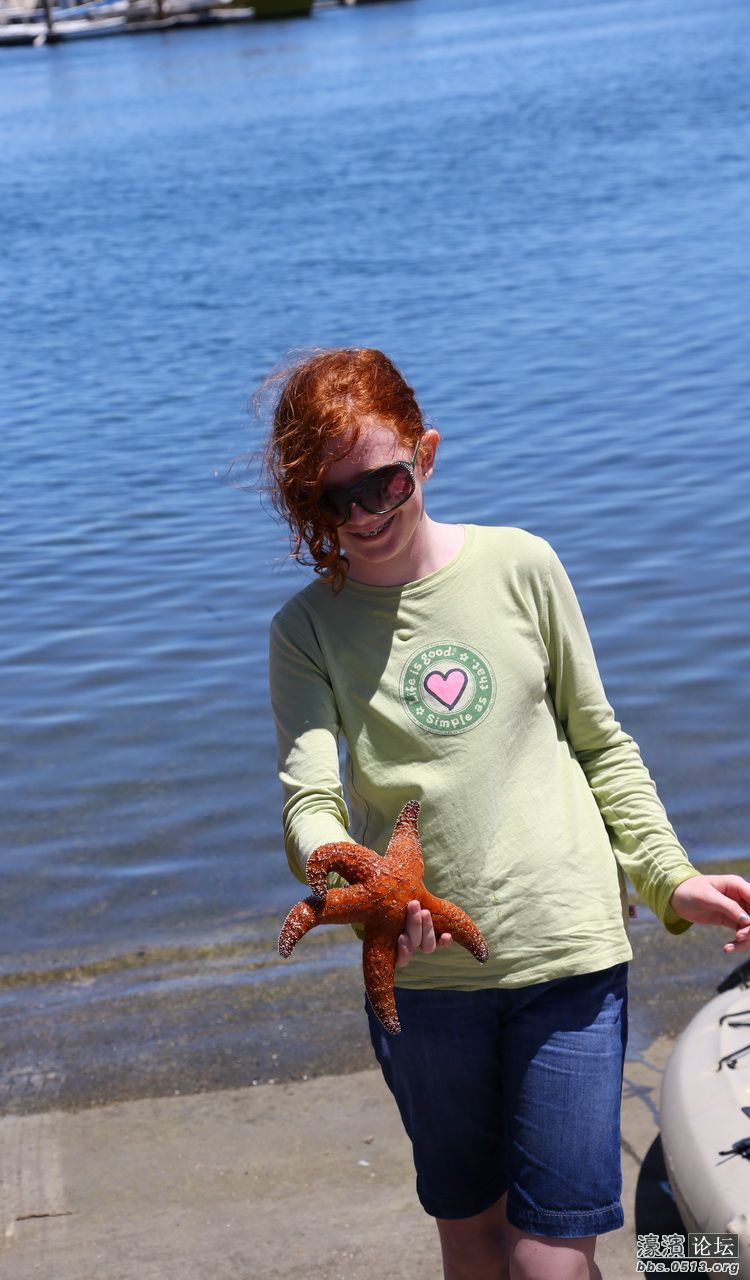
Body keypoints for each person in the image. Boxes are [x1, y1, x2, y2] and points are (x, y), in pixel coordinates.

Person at [263, 347, 750, 1280]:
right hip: (423, 982)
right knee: (475, 1245)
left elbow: (601, 744)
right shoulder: (306, 631)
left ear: (426, 454)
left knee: (548, 1261)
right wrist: (349, 880)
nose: (362, 515)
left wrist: (670, 877)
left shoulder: (523, 565)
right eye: (332, 499)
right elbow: (312, 798)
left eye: (383, 482)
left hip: (568, 951)